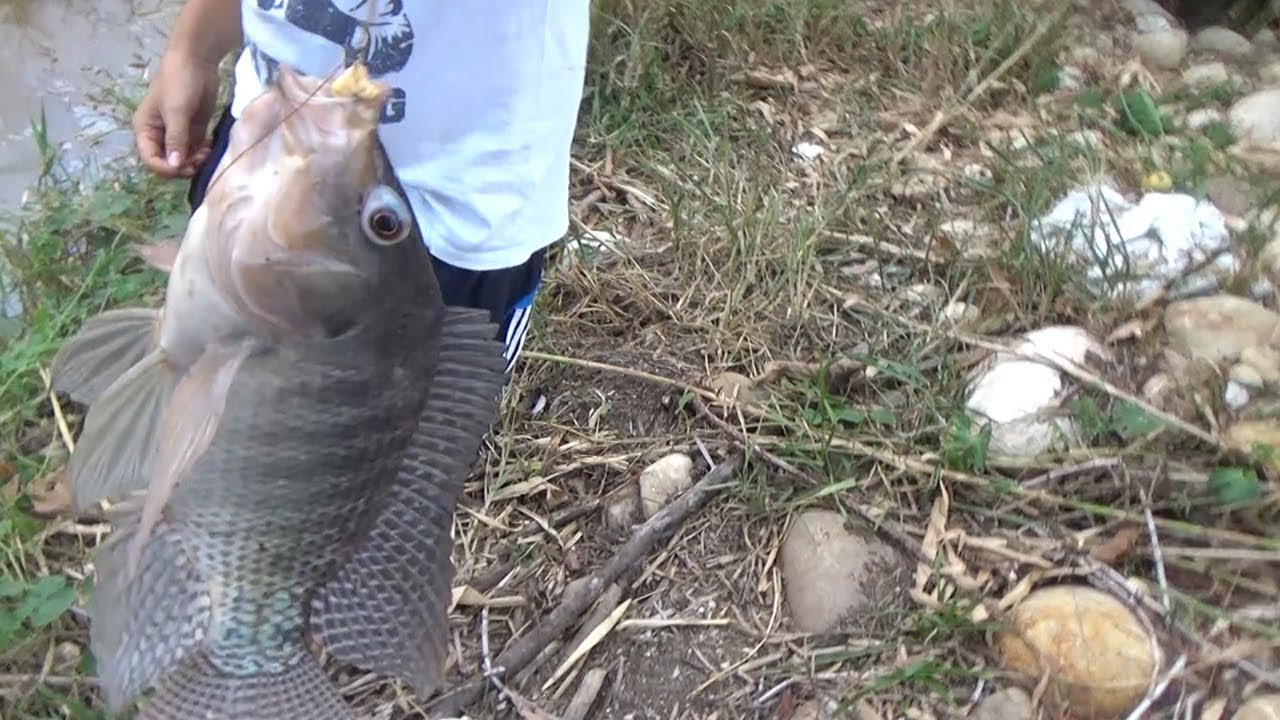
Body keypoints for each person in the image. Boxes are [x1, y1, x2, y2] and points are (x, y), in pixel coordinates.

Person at [132, 0, 592, 374]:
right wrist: (193, 49)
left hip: (459, 206)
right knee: (203, 369)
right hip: (265, 139)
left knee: (402, 442)